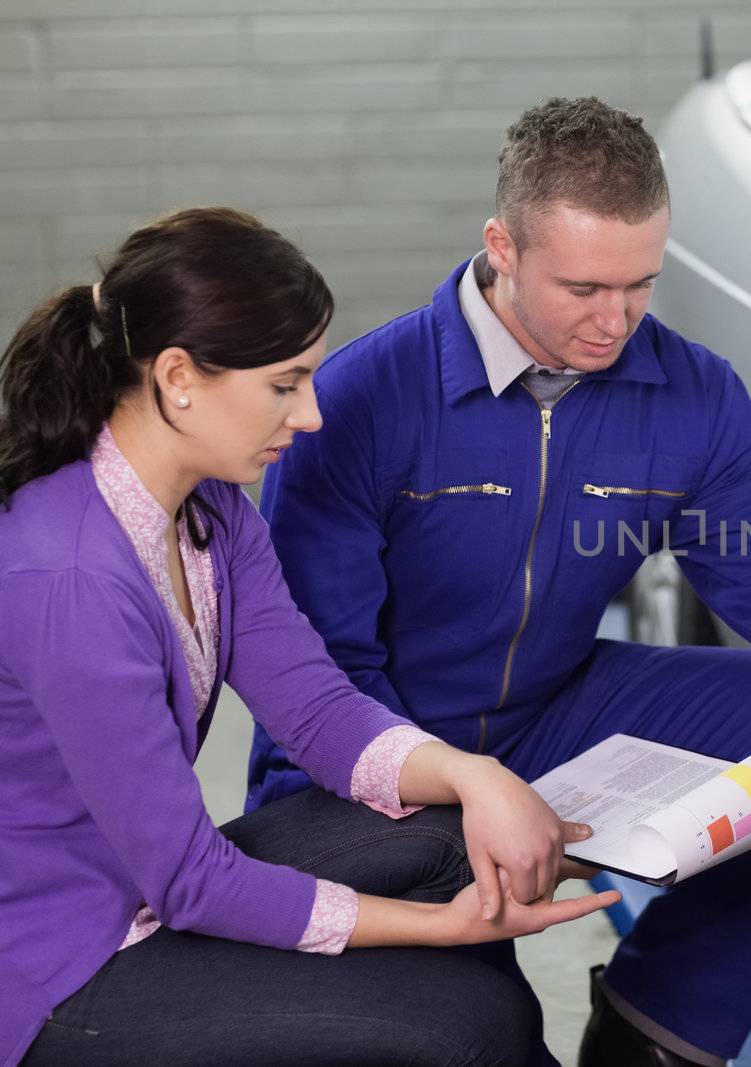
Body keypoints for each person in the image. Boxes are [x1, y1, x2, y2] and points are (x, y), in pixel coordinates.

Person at [249, 98, 751, 1067]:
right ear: (501, 246)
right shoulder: (364, 399)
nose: (614, 320)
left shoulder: (689, 391)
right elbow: (321, 665)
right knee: (475, 1029)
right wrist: (464, 799)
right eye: (583, 287)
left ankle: (655, 1029)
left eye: (639, 285)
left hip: (556, 704)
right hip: (376, 747)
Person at [0, 207, 619, 1067]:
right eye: (286, 383)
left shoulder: (210, 509)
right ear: (179, 375)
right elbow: (193, 882)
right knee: (463, 1027)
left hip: (140, 888)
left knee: (451, 838)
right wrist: (436, 929)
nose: (313, 414)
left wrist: (478, 776)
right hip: (55, 967)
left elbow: (320, 710)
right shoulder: (69, 580)